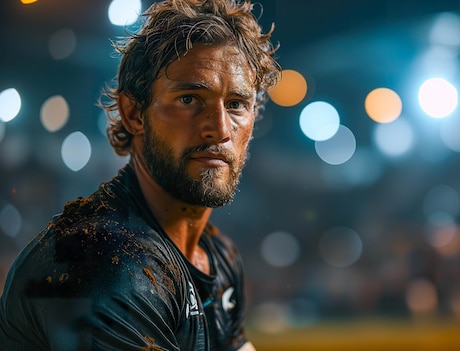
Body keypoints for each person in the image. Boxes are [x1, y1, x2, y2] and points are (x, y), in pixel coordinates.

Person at [0, 0, 280, 349]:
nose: (220, 129)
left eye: (237, 104)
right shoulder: (103, 260)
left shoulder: (217, 257)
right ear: (133, 114)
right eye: (190, 99)